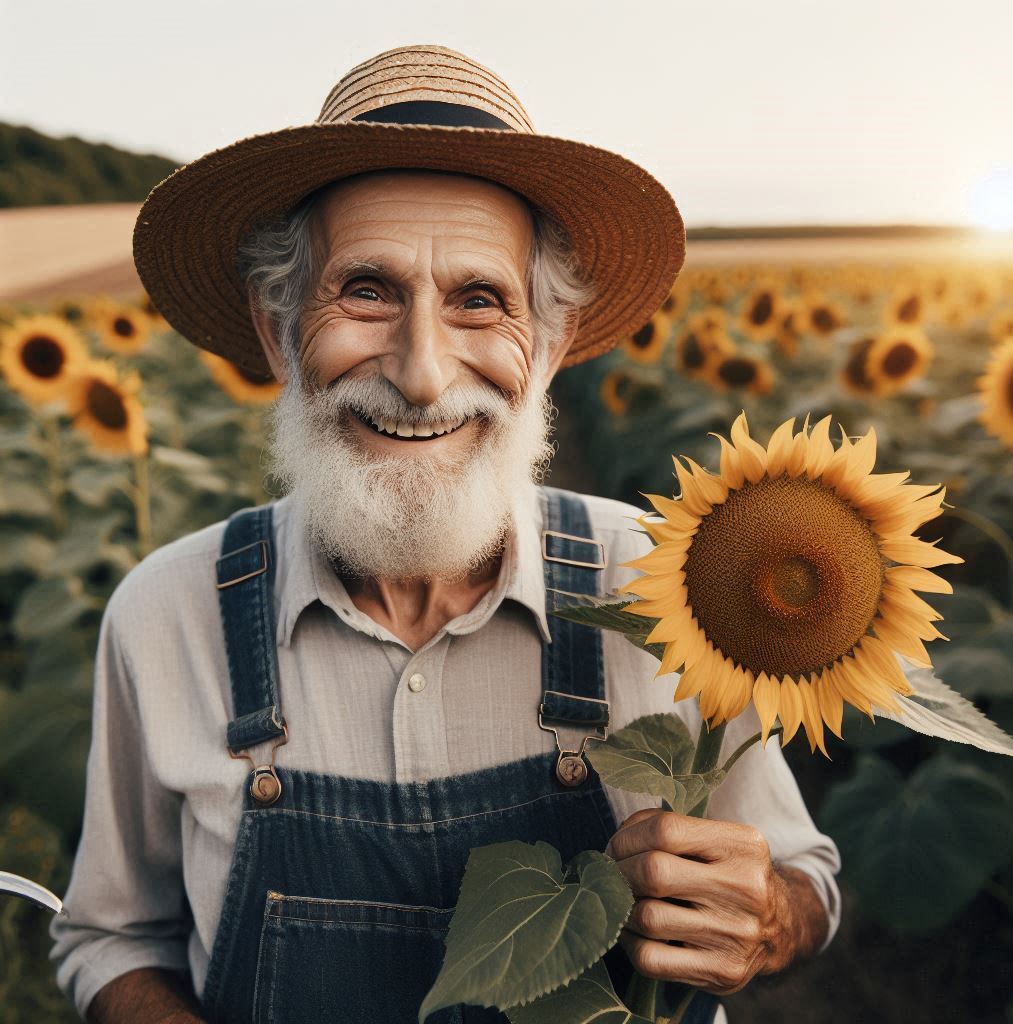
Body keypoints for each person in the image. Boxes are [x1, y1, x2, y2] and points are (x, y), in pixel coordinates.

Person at [50, 43, 841, 1024]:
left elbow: (801, 875)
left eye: (480, 301)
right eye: (368, 290)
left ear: (548, 348)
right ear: (275, 325)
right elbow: (112, 936)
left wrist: (762, 914)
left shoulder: (669, 582)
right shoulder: (167, 615)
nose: (422, 373)